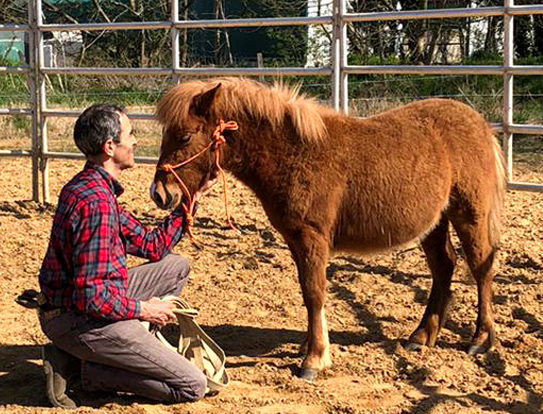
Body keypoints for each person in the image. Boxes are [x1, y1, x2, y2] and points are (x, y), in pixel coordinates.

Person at [38, 104, 214, 408]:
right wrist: (142, 309)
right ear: (110, 147)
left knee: (175, 266)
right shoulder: (97, 205)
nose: (134, 142)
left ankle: (92, 353)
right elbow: (91, 296)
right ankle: (87, 372)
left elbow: (152, 245)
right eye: (130, 135)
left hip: (72, 307)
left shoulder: (93, 188)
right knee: (192, 385)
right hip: (78, 317)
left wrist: (191, 198)